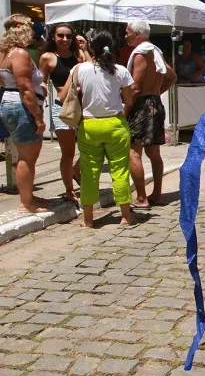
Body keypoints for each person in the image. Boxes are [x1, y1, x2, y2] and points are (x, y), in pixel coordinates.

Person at [74, 30, 136, 228]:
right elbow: (129, 96)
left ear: (91, 47)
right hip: (115, 123)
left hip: (89, 124)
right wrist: (123, 111)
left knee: (89, 171)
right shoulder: (120, 70)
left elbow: (66, 94)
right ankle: (125, 216)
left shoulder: (79, 70)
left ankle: (88, 219)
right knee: (120, 170)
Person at [125, 20, 177, 209]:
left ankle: (141, 198)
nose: (125, 35)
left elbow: (136, 87)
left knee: (133, 152)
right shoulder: (156, 51)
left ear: (137, 33)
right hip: (155, 103)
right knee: (154, 153)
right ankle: (157, 194)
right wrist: (157, 92)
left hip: (142, 105)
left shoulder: (142, 54)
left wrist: (125, 110)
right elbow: (172, 76)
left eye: (128, 32)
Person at [0, 14, 49, 213]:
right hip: (21, 107)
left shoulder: (5, 53)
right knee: (27, 157)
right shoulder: (19, 54)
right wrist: (38, 118)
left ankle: (27, 195)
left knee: (25, 155)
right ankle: (26, 202)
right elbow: (25, 89)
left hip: (11, 103)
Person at [39, 23, 84, 204]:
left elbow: (90, 67)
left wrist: (84, 48)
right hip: (61, 106)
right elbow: (41, 80)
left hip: (81, 104)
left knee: (93, 146)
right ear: (53, 37)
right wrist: (43, 89)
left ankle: (76, 170)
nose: (65, 39)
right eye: (60, 35)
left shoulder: (78, 56)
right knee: (68, 151)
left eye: (68, 36)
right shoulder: (47, 57)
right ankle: (69, 190)